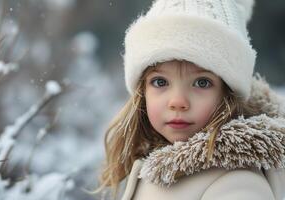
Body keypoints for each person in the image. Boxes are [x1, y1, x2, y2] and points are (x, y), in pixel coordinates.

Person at [97, 0, 285, 199]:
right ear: (142, 92)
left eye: (202, 83)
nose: (178, 101)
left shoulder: (238, 183)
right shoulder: (151, 163)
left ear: (227, 94)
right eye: (160, 82)